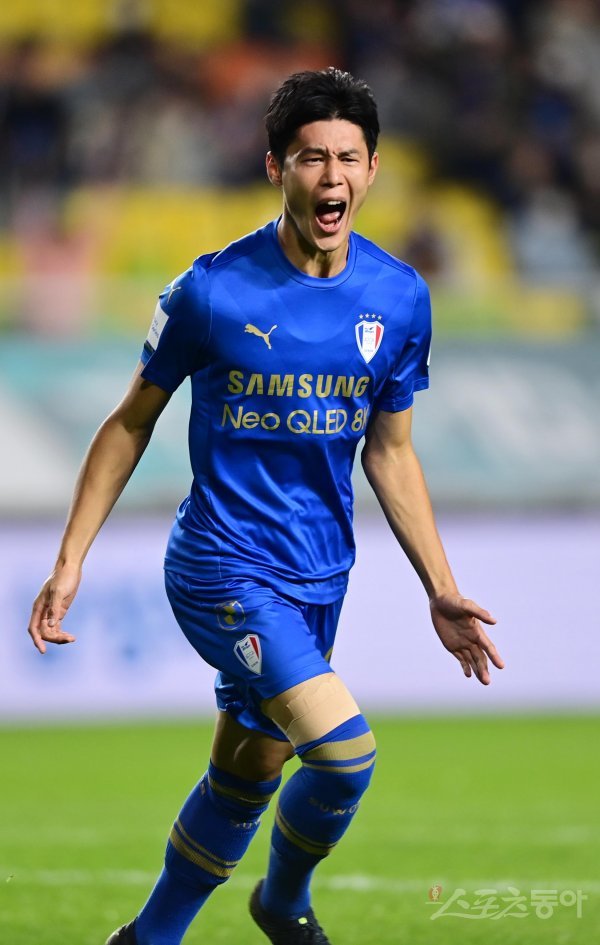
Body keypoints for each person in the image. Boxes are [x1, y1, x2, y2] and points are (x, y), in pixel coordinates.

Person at [28, 68, 504, 945]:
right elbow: (130, 422)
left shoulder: (399, 298)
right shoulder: (212, 291)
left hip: (320, 572)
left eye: (349, 158)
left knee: (246, 772)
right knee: (346, 755)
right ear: (276, 166)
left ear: (373, 170)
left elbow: (391, 451)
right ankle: (282, 903)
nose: (332, 177)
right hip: (221, 565)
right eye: (312, 158)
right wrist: (70, 561)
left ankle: (147, 937)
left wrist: (440, 585)